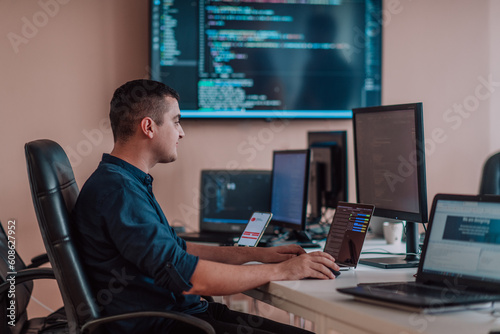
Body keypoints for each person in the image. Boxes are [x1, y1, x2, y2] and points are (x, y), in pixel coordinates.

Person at [72, 79, 339, 333]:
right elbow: (191, 277)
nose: (182, 132)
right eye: (176, 122)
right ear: (149, 127)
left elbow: (180, 249)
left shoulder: (125, 181)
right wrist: (283, 270)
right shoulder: (118, 191)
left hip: (186, 314)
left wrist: (258, 254)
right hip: (166, 324)